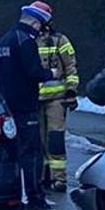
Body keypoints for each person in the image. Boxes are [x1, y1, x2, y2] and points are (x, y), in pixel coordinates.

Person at [0, 1, 61, 210]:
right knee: (32, 153)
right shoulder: (26, 41)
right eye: (41, 25)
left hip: (8, 105)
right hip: (26, 106)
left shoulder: (4, 40)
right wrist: (51, 73)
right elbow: (33, 72)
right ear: (35, 21)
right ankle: (36, 199)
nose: (41, 29)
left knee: (13, 153)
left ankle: (17, 196)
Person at [35, 16, 80, 191]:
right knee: (38, 141)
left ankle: (59, 179)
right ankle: (42, 176)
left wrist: (71, 91)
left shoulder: (60, 41)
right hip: (35, 100)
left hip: (56, 100)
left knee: (55, 139)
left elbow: (71, 67)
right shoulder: (28, 42)